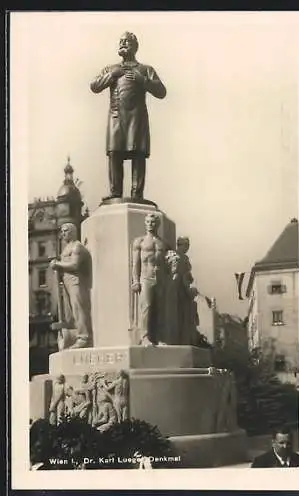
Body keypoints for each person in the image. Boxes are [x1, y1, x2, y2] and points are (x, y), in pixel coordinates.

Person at [90, 31, 167, 200]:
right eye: (121, 41)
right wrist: (111, 76)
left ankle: (137, 194)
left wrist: (143, 80)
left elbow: (161, 91)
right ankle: (115, 193)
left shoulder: (145, 70)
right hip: (116, 117)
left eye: (127, 41)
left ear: (135, 46)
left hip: (136, 118)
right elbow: (94, 86)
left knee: (138, 154)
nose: (123, 43)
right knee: (114, 153)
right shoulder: (111, 69)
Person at [50, 223, 93, 349]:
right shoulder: (67, 247)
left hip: (76, 281)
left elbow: (74, 265)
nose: (63, 233)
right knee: (73, 312)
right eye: (62, 231)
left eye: (65, 231)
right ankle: (78, 335)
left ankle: (84, 338)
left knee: (79, 310)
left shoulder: (77, 247)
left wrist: (57, 264)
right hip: (67, 282)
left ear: (73, 232)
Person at [131, 213, 167, 345]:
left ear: (157, 224)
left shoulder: (162, 243)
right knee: (146, 306)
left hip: (159, 277)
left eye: (153, 222)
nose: (150, 224)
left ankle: (158, 337)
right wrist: (135, 280)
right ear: (145, 223)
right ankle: (144, 336)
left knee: (158, 309)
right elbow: (135, 263)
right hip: (146, 276)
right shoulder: (140, 241)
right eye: (148, 222)